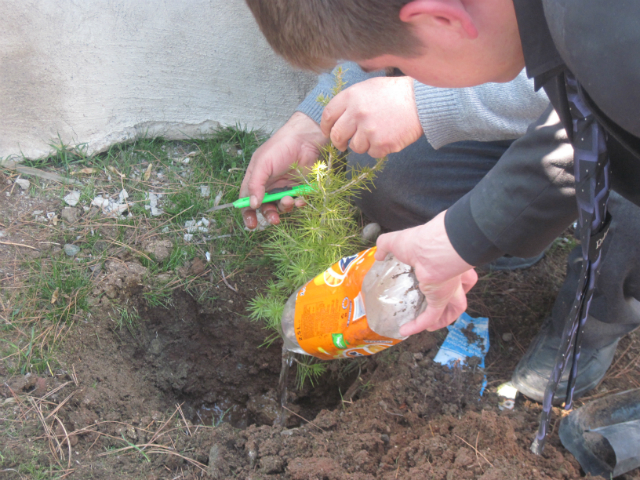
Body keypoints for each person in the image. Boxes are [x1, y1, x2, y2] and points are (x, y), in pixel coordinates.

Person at [240, 0, 640, 404]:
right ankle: (520, 238)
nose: (393, 76)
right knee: (389, 171)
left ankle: (599, 316)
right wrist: (311, 124)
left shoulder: (611, 36)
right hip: (586, 91)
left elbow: (593, 130)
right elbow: (577, 125)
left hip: (622, 116)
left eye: (393, 65)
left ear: (442, 19)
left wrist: (421, 99)